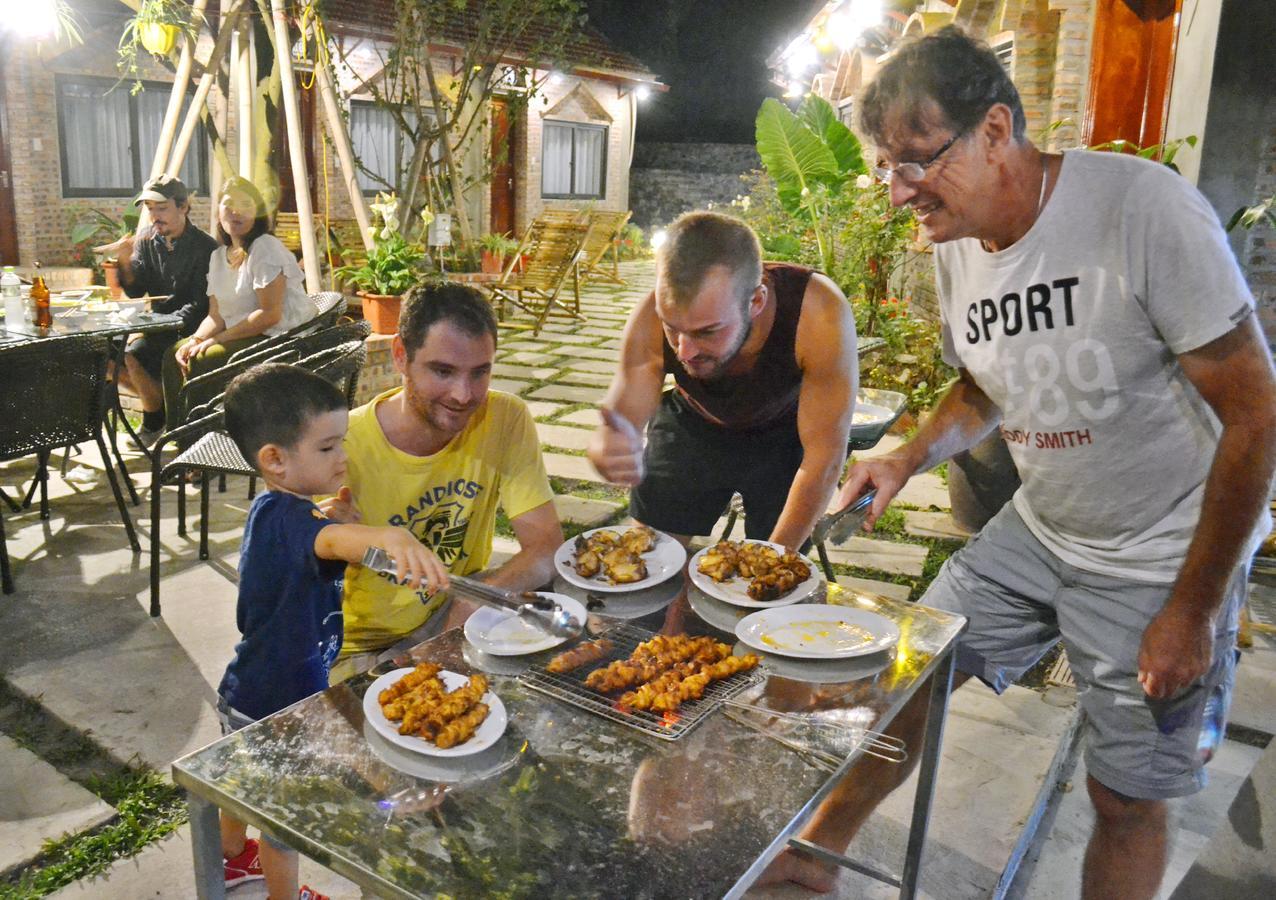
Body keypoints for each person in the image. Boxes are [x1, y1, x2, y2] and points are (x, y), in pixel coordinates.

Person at [763, 27, 1276, 898]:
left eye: (914, 161)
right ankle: (809, 862)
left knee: (1124, 798)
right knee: (905, 678)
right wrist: (907, 455)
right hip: (1041, 531)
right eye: (886, 166)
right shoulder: (958, 239)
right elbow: (983, 383)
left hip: (1162, 555)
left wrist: (1192, 610)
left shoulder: (1140, 211)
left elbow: (1257, 414)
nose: (897, 192)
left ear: (996, 129)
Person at [215, 362, 448, 900]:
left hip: (249, 690)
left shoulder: (281, 513)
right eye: (327, 448)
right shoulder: (288, 521)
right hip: (278, 705)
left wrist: (341, 520)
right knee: (283, 818)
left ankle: (230, 859)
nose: (343, 457)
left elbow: (324, 541)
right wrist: (381, 535)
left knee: (241, 783)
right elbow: (334, 544)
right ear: (274, 459)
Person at [322, 282, 564, 682]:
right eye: (442, 371)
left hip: (457, 612)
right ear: (400, 355)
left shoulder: (504, 418)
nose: (463, 395)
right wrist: (317, 544)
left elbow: (546, 546)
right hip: (362, 650)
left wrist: (473, 601)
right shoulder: (336, 447)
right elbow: (278, 592)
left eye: (480, 372)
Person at [587, 210, 858, 551]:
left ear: (756, 301)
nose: (685, 352)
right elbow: (625, 410)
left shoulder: (817, 313)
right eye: (673, 329)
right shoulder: (650, 315)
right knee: (649, 556)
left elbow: (824, 456)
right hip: (694, 421)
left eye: (707, 332)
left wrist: (772, 563)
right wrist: (608, 442)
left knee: (775, 571)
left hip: (785, 432)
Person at [161, 177, 317, 428]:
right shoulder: (217, 257)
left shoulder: (265, 248)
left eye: (246, 204)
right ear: (218, 211)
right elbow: (216, 315)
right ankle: (180, 435)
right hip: (246, 334)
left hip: (280, 337)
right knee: (175, 354)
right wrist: (195, 339)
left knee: (204, 359)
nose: (236, 211)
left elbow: (269, 314)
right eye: (229, 203)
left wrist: (216, 340)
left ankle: (205, 438)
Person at [110, 174, 218, 446]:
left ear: (183, 207)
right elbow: (136, 290)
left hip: (195, 328)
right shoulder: (147, 240)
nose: (154, 216)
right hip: (159, 325)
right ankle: (160, 416)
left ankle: (155, 422)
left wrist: (158, 324)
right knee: (110, 360)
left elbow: (200, 304)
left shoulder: (205, 247)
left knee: (136, 354)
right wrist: (124, 261)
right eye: (150, 209)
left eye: (162, 208)